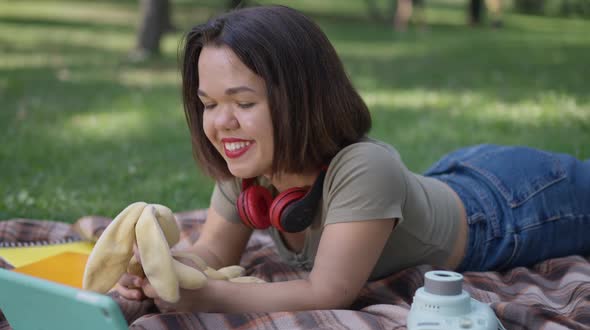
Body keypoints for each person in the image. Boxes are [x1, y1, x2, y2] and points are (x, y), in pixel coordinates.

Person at [114, 5, 590, 313]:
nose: (221, 123)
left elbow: (327, 293)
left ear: (300, 98)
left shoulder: (364, 168)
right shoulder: (247, 167)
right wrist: (165, 269)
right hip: (455, 176)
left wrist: (204, 296)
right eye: (210, 104)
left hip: (514, 208)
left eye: (243, 102)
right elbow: (213, 252)